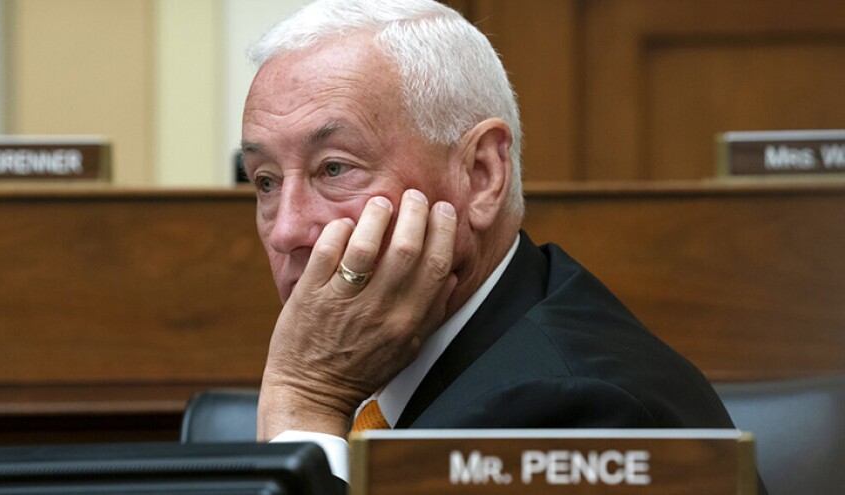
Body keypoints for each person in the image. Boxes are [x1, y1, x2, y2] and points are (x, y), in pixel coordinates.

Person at [240, 0, 739, 485]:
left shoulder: (577, 411)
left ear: (481, 175)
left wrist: (305, 401)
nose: (286, 231)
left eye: (334, 168)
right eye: (265, 181)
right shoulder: (391, 375)